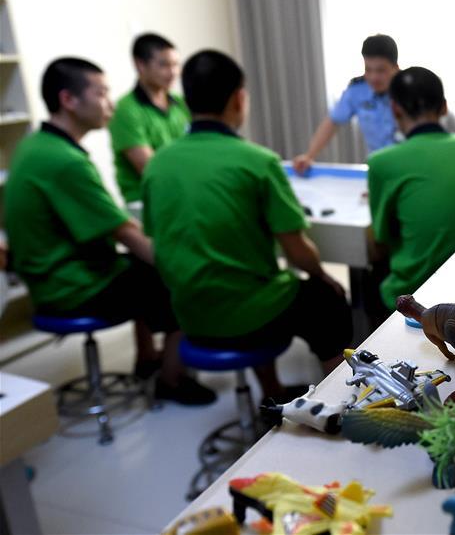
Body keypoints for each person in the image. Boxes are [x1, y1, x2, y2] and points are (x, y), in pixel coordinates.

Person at [142, 50, 353, 401]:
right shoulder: (258, 162)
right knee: (326, 302)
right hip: (249, 318)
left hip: (189, 316)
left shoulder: (158, 164)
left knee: (254, 283)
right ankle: (342, 404)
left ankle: (272, 391)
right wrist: (322, 275)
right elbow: (297, 251)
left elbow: (158, 239)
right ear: (239, 99)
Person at [5, 58, 214, 404]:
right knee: (173, 279)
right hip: (70, 287)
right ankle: (172, 380)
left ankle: (146, 358)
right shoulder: (64, 161)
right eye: (101, 94)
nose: (110, 105)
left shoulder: (37, 145)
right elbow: (125, 232)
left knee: (142, 267)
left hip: (46, 278)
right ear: (68, 100)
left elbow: (110, 223)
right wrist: (186, 264)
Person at [367, 67, 455, 313]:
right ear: (444, 107)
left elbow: (381, 243)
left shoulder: (381, 162)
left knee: (373, 273)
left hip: (417, 298)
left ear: (395, 109)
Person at [293, 34, 400, 173]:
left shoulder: (411, 89)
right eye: (368, 70)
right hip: (377, 167)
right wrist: (309, 156)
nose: (373, 77)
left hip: (409, 165)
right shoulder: (357, 90)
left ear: (395, 68)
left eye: (380, 71)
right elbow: (332, 122)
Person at [108, 33, 189, 204]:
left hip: (184, 195)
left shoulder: (182, 103)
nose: (173, 72)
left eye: (176, 64)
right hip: (146, 202)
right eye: (164, 65)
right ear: (140, 65)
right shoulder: (125, 110)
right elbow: (151, 169)